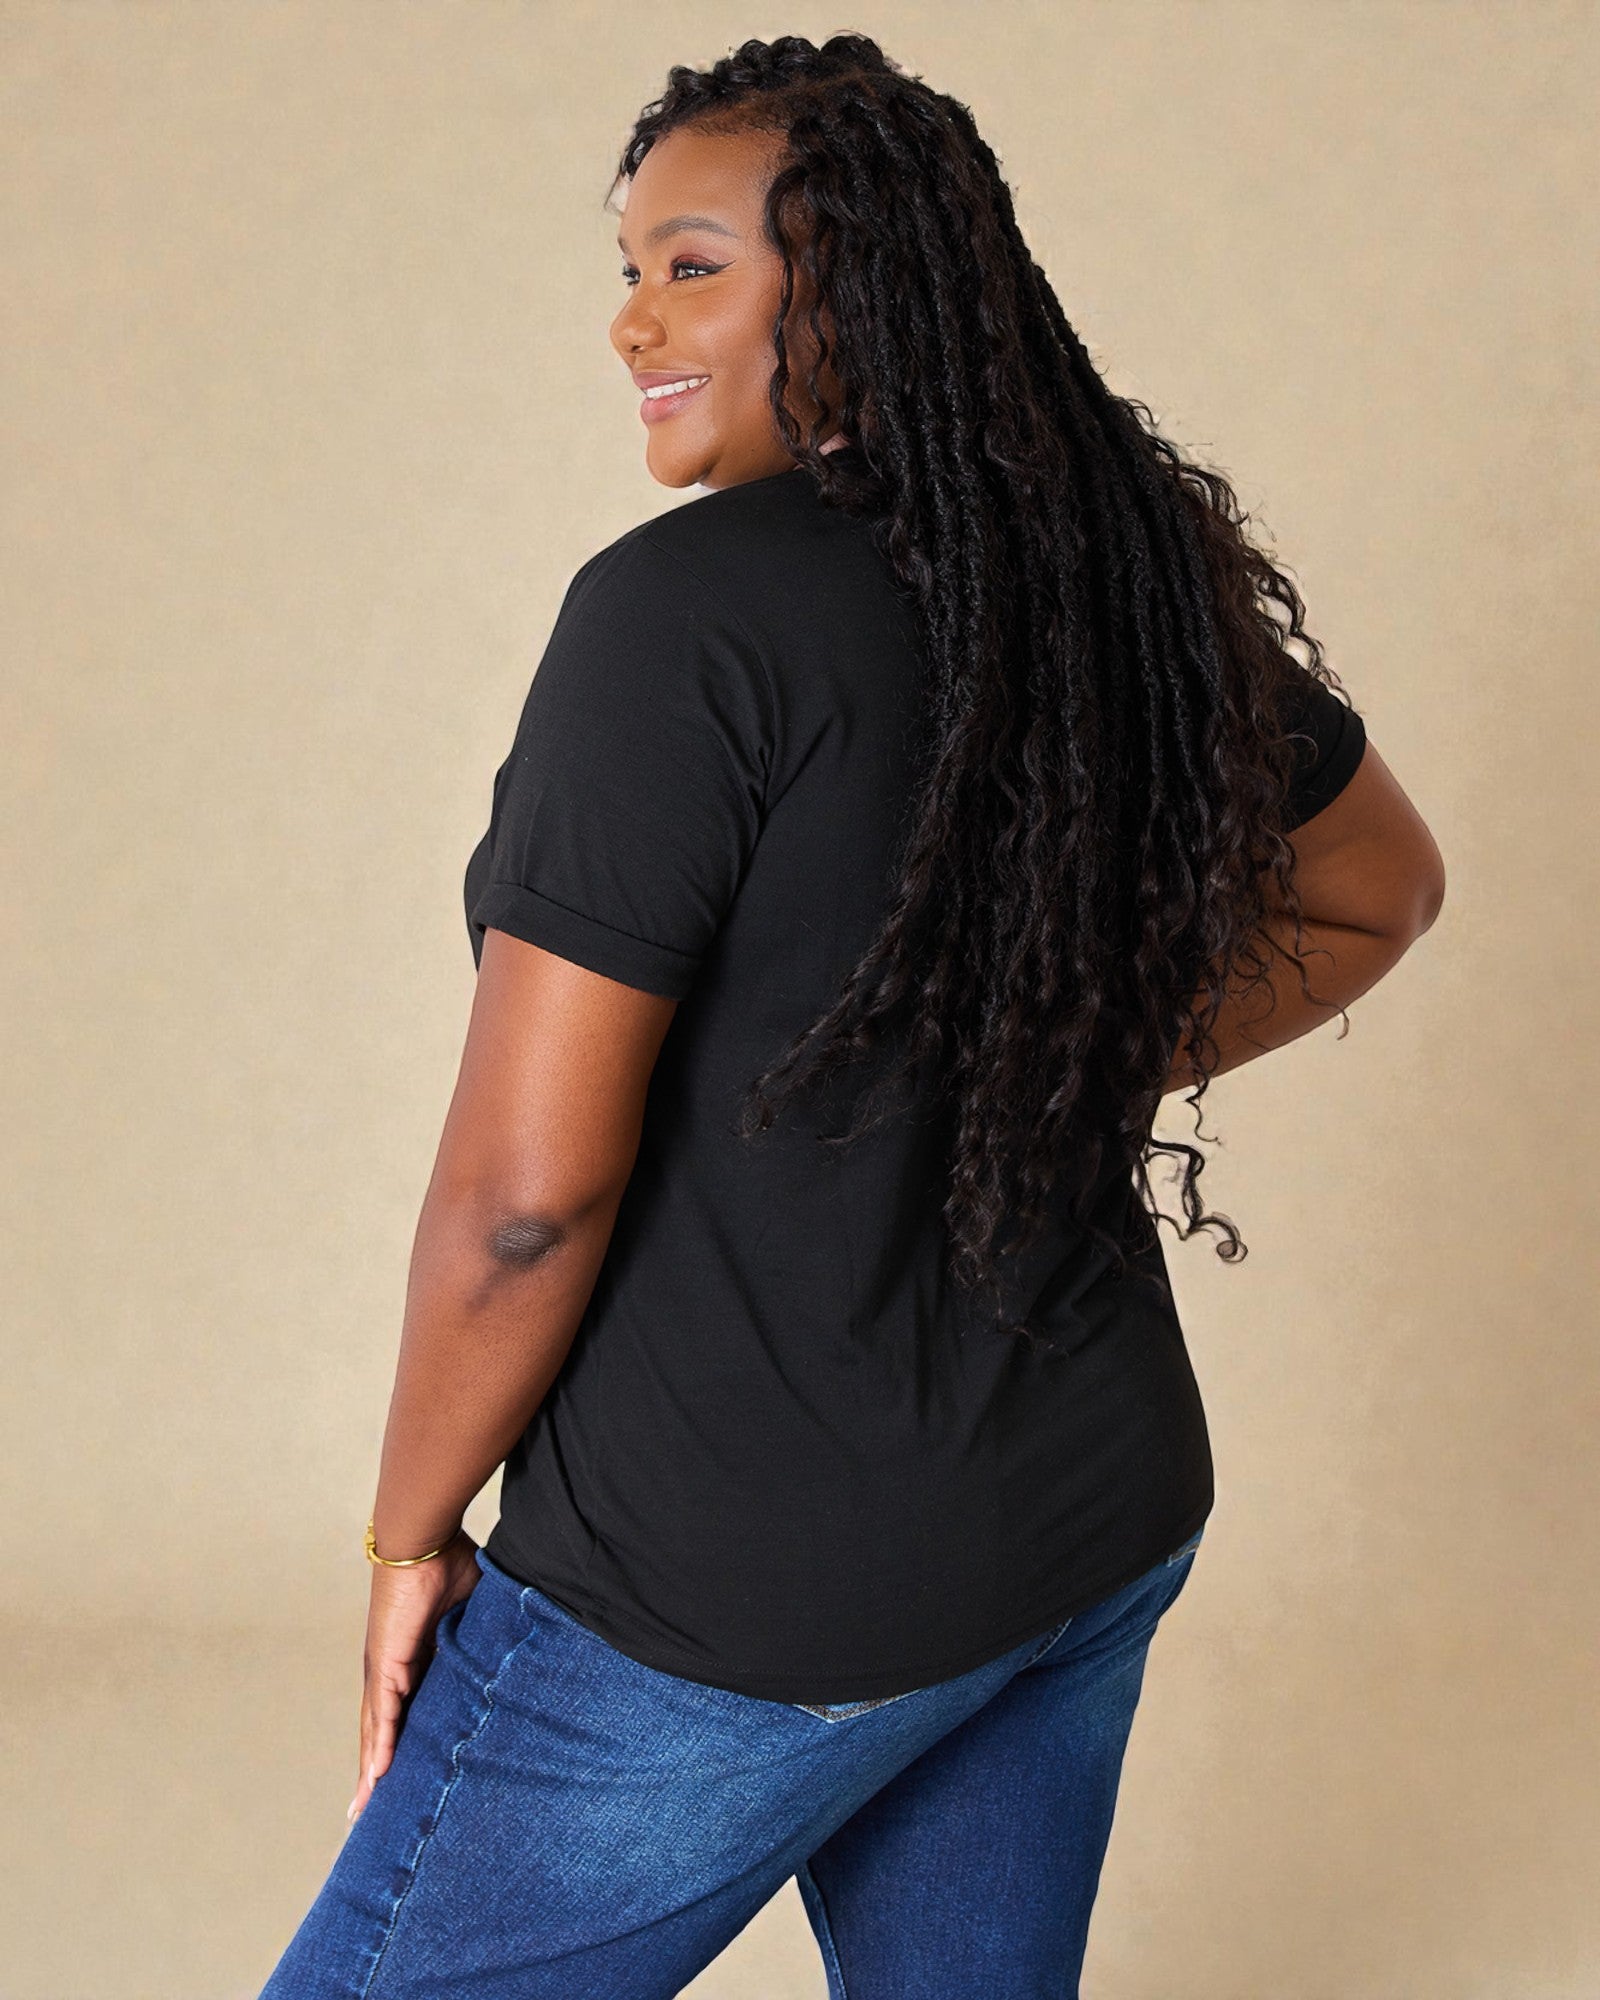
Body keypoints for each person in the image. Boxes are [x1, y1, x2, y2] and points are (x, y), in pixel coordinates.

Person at [257, 33, 1446, 2000]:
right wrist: (1031, 1049)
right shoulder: (1109, 577)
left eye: (692, 261)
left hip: (727, 1590)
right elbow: (1372, 881)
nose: (630, 314)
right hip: (1079, 1514)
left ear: (861, 278)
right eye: (628, 264)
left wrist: (405, 1540)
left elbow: (519, 1204)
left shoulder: (676, 621)